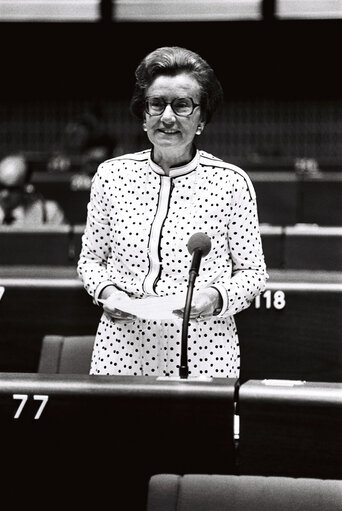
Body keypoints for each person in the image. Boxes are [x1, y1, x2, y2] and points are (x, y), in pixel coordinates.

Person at [77, 46, 268, 378]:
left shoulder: (231, 182)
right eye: (156, 104)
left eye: (182, 105)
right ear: (144, 115)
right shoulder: (111, 176)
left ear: (202, 119)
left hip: (203, 349)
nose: (167, 117)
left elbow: (253, 274)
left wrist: (213, 297)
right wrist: (107, 293)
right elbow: (91, 260)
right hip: (122, 348)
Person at [0, 153, 65, 225]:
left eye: (12, 189)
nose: (4, 194)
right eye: (1, 187)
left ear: (25, 188)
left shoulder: (49, 212)